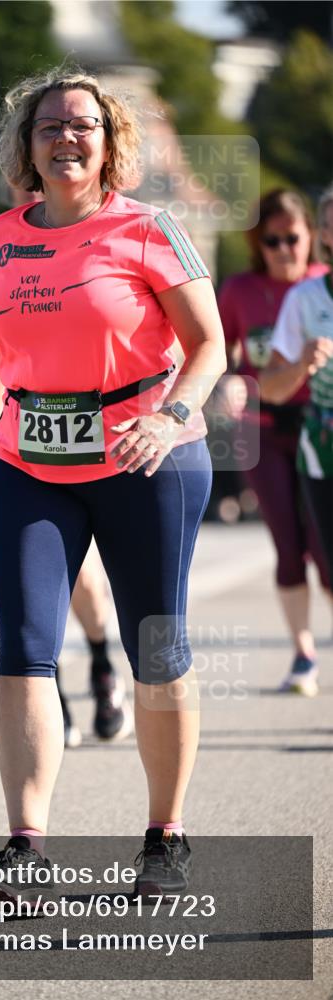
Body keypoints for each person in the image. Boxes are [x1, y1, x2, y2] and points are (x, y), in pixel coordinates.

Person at [0, 67, 225, 900]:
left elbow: (208, 345)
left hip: (144, 458)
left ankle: (165, 836)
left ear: (108, 140)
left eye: (81, 125)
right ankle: (26, 847)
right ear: (25, 147)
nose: (65, 137)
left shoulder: (150, 229)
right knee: (22, 650)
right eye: (47, 126)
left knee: (155, 649)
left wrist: (169, 416)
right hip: (28, 463)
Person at [0, 207, 130, 746]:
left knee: (90, 586)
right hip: (26, 433)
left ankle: (103, 660)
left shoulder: (114, 231)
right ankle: (47, 691)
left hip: (106, 439)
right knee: (47, 583)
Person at [218, 189, 330, 696]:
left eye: (293, 238)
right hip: (262, 426)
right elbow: (214, 352)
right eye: (272, 240)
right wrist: (225, 383)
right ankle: (304, 653)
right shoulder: (240, 290)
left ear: (313, 237)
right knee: (289, 547)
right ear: (257, 243)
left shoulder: (321, 288)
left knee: (327, 552)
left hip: (320, 424)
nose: (285, 249)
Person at [259, 185, 333, 693]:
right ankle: (305, 654)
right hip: (321, 449)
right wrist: (304, 364)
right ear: (326, 234)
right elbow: (270, 386)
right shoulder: (306, 300)